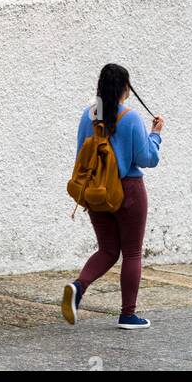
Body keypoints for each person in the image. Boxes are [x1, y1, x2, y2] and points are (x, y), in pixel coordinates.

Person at [61, 62, 164, 330]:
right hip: (127, 189)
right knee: (131, 253)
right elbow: (147, 159)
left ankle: (78, 286)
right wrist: (155, 135)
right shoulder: (130, 118)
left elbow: (81, 156)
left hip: (97, 191)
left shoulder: (89, 114)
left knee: (107, 249)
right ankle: (128, 315)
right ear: (124, 88)